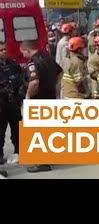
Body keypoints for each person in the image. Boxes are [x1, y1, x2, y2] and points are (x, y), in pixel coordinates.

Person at [20, 40, 63, 173]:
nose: (23, 56)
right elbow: (60, 72)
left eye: (23, 53)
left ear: (27, 50)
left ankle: (42, 163)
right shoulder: (48, 59)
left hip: (38, 100)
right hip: (50, 97)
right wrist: (54, 86)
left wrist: (27, 97)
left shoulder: (32, 63)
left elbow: (34, 83)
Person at [0, 42, 25, 165]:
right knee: (1, 131)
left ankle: (19, 151)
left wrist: (20, 92)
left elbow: (22, 78)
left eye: (5, 49)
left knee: (17, 129)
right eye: (1, 50)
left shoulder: (13, 64)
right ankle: (0, 156)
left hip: (14, 103)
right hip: (1, 105)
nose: (3, 52)